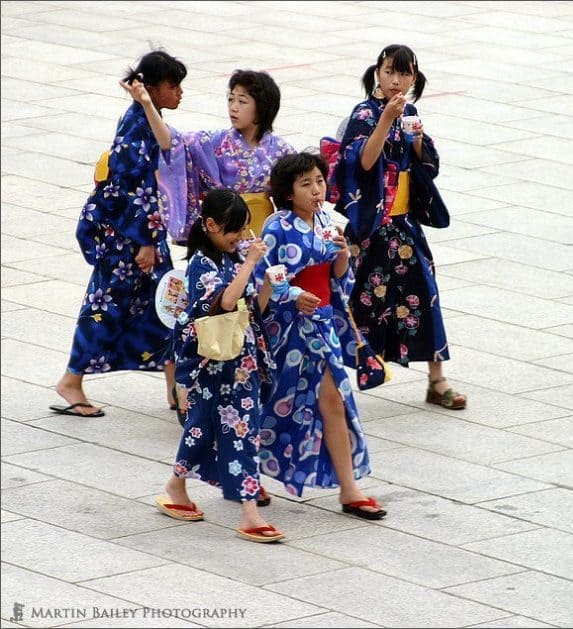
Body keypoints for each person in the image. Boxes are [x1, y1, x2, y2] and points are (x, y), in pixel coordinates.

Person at [51, 50, 187, 418]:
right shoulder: (134, 124)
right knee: (106, 308)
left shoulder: (147, 116)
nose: (179, 93)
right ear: (154, 88)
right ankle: (71, 380)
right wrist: (143, 240)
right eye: (173, 86)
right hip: (129, 237)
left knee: (167, 305)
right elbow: (130, 186)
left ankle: (177, 387)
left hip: (144, 232)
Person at [333, 44, 466, 410]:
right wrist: (385, 121)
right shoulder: (363, 113)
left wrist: (418, 138)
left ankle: (436, 379)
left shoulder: (411, 112)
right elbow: (362, 161)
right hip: (370, 227)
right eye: (390, 71)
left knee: (425, 293)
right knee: (354, 300)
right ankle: (335, 379)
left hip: (404, 224)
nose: (396, 80)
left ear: (414, 77)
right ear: (378, 71)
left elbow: (428, 164)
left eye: (404, 73)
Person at [256, 152, 386, 520]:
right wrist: (295, 295)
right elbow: (267, 279)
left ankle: (350, 488)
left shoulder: (330, 220)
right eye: (305, 184)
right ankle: (248, 470)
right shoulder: (276, 227)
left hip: (323, 323)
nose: (316, 190)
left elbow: (338, 278)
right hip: (288, 328)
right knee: (273, 398)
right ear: (287, 192)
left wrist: (343, 255)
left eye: (318, 181)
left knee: (334, 399)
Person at [156, 189, 282, 543]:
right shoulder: (202, 263)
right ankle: (249, 513)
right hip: (213, 365)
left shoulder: (229, 257)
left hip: (236, 361)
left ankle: (176, 487)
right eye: (234, 231)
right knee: (230, 430)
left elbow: (251, 305)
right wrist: (251, 263)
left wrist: (269, 285)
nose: (240, 238)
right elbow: (226, 301)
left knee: (212, 429)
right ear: (210, 225)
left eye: (244, 230)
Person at [158, 69, 296, 243]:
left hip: (263, 235)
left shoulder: (281, 150)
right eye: (231, 99)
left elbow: (299, 192)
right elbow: (174, 143)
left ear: (262, 107)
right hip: (222, 234)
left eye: (242, 101)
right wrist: (148, 107)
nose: (233, 107)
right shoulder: (214, 142)